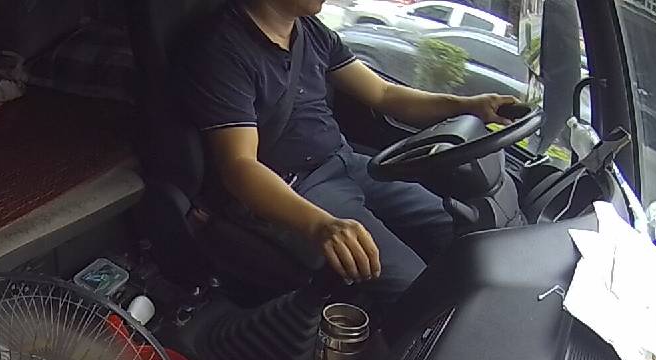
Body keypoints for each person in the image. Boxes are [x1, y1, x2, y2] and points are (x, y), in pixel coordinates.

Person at [181, 0, 520, 302]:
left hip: (347, 161)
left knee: (465, 237)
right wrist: (321, 226)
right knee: (415, 290)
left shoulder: (310, 31)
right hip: (298, 187)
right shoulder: (222, 49)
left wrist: (468, 105)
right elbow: (239, 165)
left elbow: (384, 94)